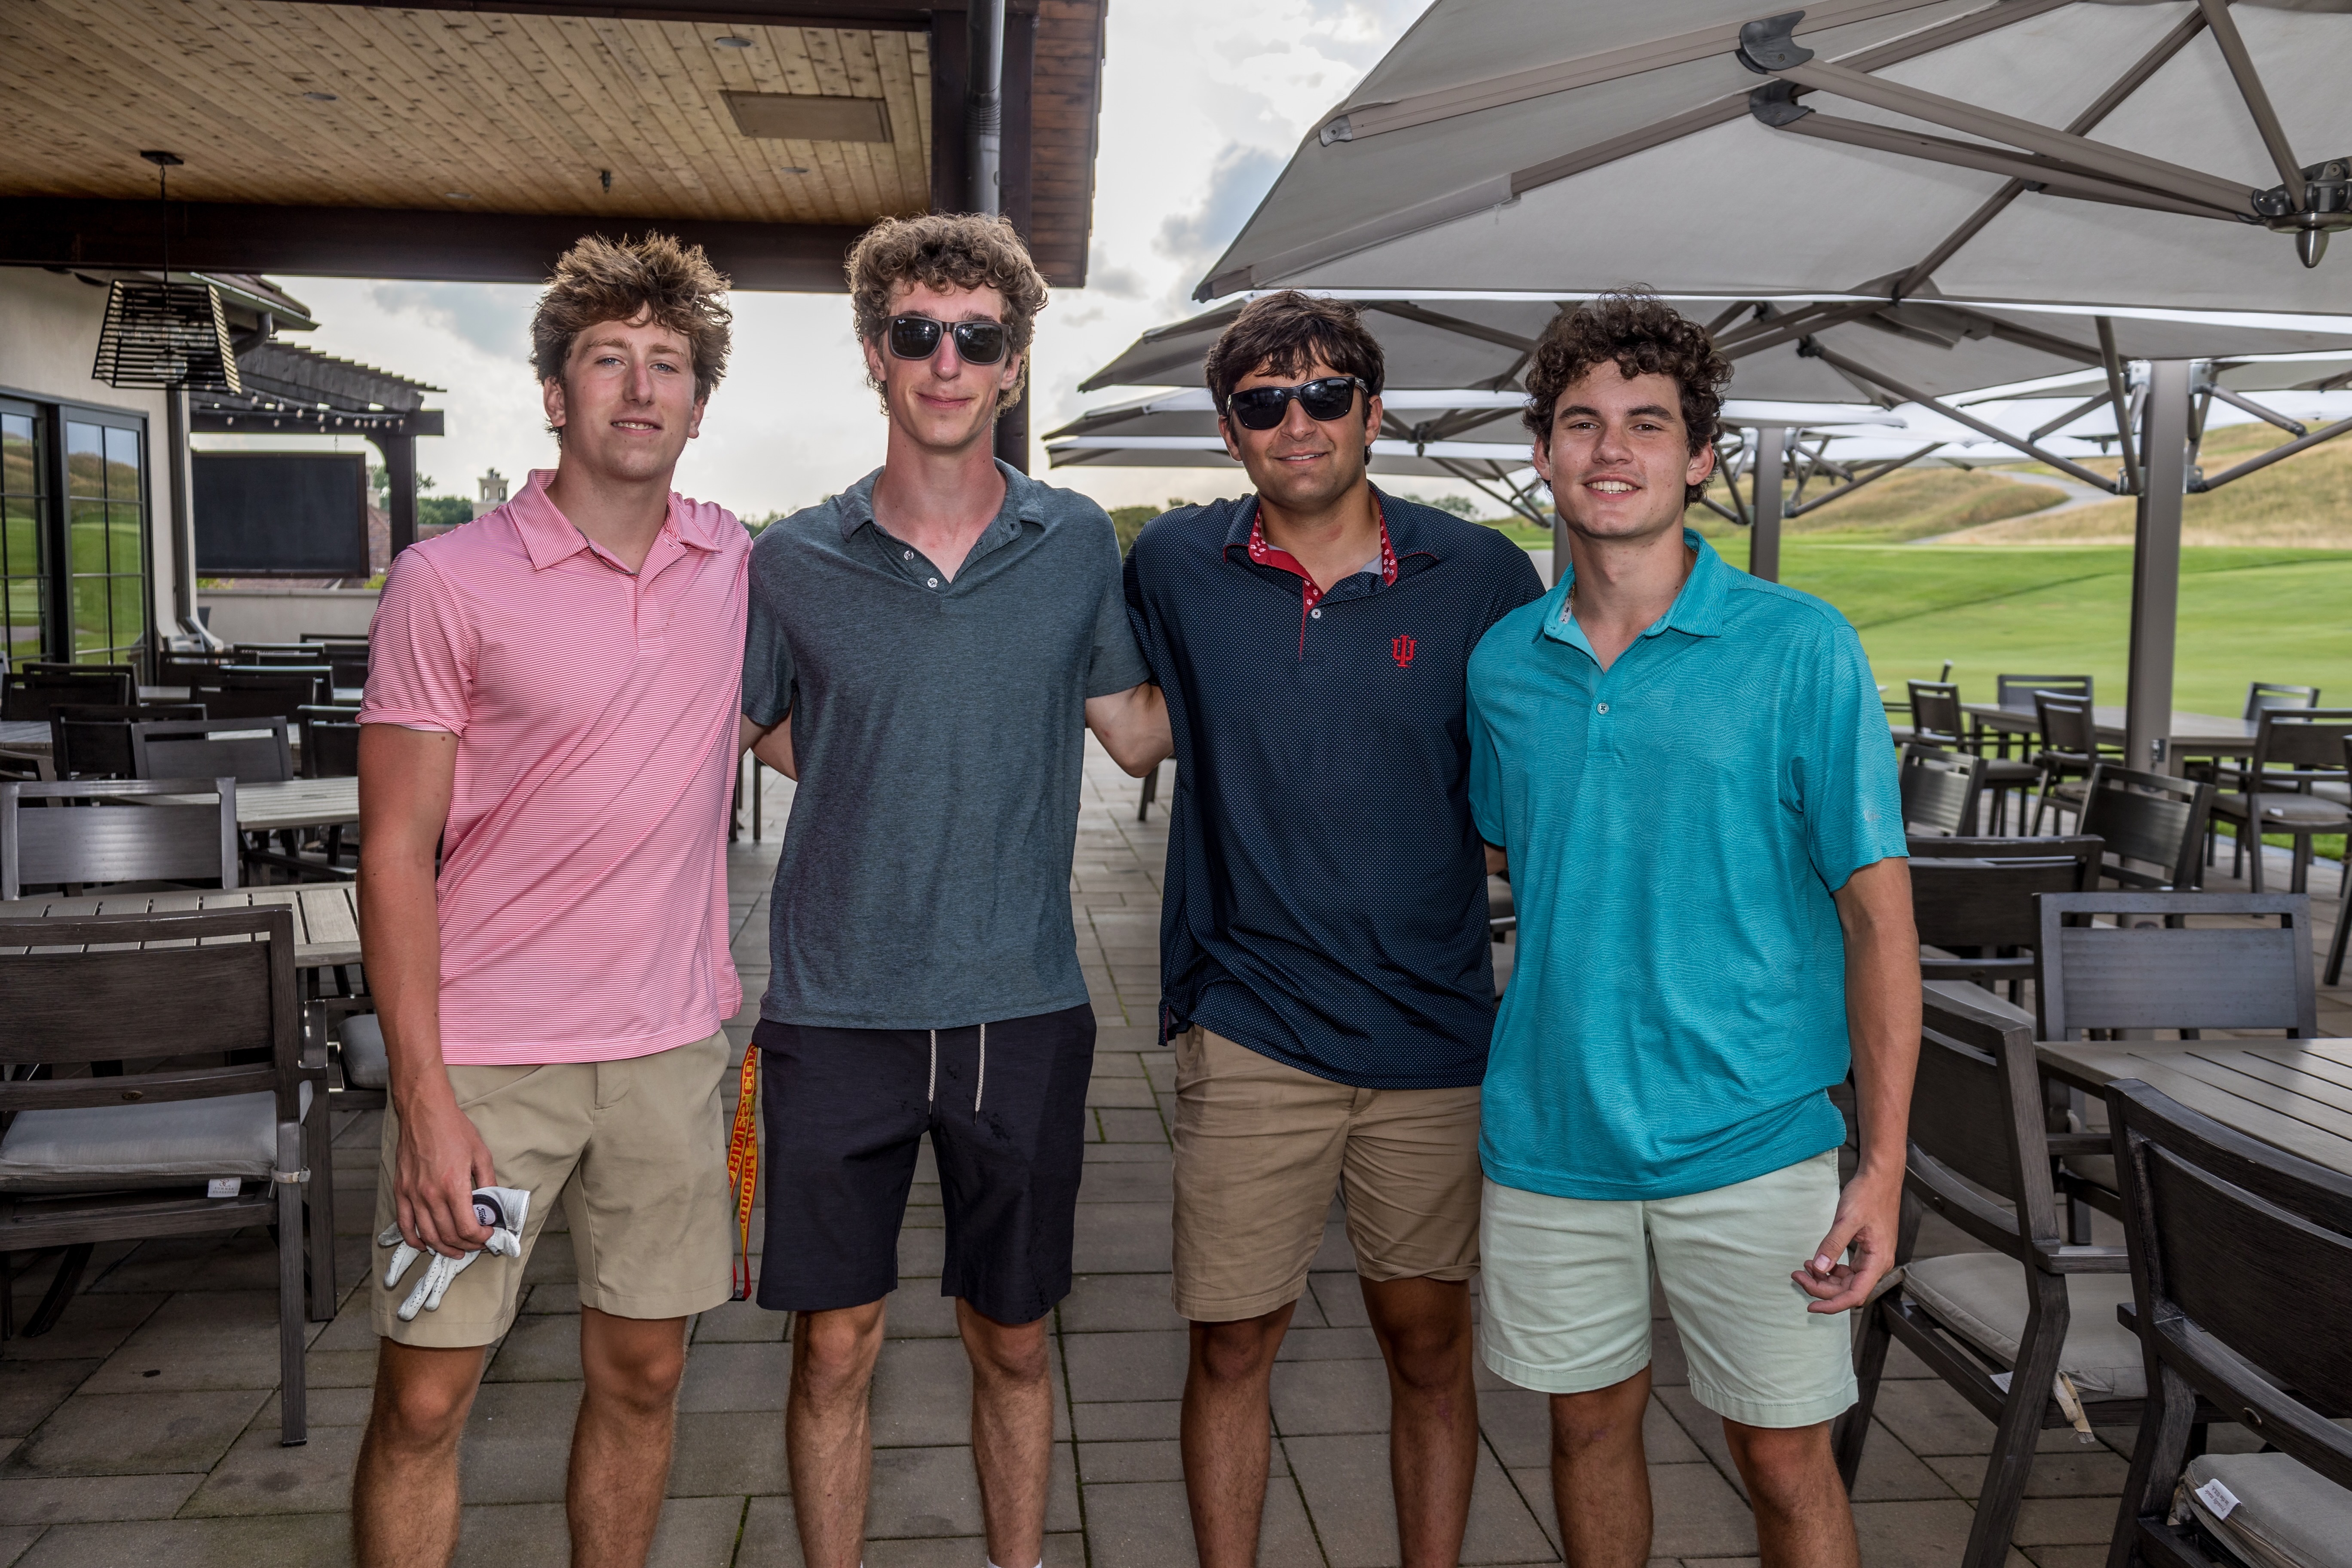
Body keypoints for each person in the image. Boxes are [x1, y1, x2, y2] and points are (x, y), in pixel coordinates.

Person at [737, 213, 1169, 1568]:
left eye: (976, 339)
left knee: (1017, 1339)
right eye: (917, 333)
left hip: (1020, 1005)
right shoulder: (789, 559)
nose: (945, 361)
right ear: (875, 352)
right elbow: (750, 725)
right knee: (834, 1346)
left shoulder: (1075, 541)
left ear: (1013, 365)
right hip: (834, 1012)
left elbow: (1134, 728)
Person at [1464, 292, 1920, 1568]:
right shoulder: (1501, 666)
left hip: (1755, 1137)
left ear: (1700, 456)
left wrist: (1883, 1168)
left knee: (1784, 1458)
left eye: (1648, 424)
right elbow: (1511, 849)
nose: (1612, 449)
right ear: (1544, 454)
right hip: (1551, 1135)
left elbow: (1881, 924)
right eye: (1581, 423)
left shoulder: (1800, 648)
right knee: (1585, 1433)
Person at [1122, 291, 1545, 1568]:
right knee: (1230, 1344)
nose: (1295, 423)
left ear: (1373, 412)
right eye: (1263, 403)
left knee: (1428, 1345)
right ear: (1229, 429)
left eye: (1322, 395)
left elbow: (1527, 790)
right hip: (1250, 1022)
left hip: (1432, 1030)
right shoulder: (1174, 567)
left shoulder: (1481, 575)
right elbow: (1114, 712)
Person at [350, 233, 750, 1568]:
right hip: (486, 1065)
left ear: (699, 403)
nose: (640, 388)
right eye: (608, 359)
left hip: (668, 1055)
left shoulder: (732, 563)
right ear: (554, 392)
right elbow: (393, 853)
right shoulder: (447, 581)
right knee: (424, 1397)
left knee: (645, 1377)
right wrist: (424, 1100)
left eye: (668, 364)